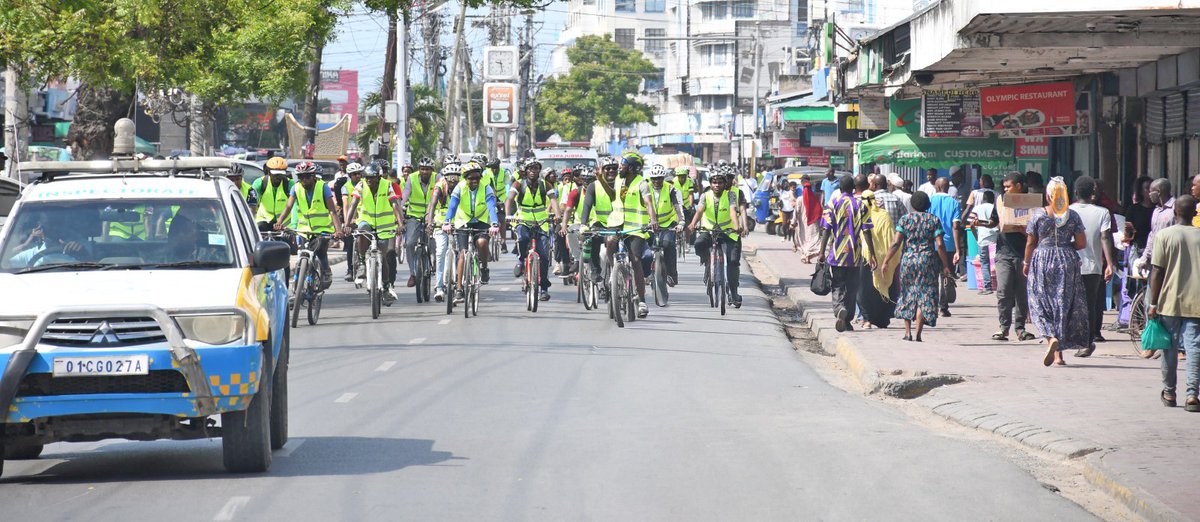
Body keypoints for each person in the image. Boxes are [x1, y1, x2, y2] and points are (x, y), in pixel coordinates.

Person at [1023, 177, 1089, 366]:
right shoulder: (1073, 215)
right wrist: (1065, 249)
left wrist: (1026, 262)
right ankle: (1059, 356)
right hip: (1067, 260)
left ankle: (1050, 337)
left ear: (1048, 195)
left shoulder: (1039, 215)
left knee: (1039, 301)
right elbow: (1081, 243)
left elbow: (1030, 242)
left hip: (1042, 259)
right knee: (1063, 303)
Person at [1147, 195, 1200, 411]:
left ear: (1175, 212)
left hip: (1169, 302)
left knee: (1168, 346)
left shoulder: (1164, 236)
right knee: (1194, 346)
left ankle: (1169, 392)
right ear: (1195, 214)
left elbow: (1157, 271)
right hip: (1196, 302)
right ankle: (1192, 395)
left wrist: (1153, 303)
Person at [881, 191, 952, 342]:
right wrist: (946, 265)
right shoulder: (933, 220)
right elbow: (939, 244)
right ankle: (918, 334)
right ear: (928, 204)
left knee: (908, 293)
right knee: (924, 295)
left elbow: (896, 243)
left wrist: (886, 260)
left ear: (912, 204)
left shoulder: (905, 220)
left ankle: (907, 333)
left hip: (908, 261)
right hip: (928, 261)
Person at [817, 174, 876, 332]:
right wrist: (872, 254)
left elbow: (826, 230)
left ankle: (839, 310)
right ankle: (848, 320)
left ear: (840, 188)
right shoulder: (860, 205)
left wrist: (822, 252)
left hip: (837, 254)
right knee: (852, 288)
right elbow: (867, 231)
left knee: (837, 285)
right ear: (853, 188)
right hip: (855, 256)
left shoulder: (833, 203)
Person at [274, 162, 345, 291]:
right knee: (302, 254)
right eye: (301, 177)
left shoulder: (323, 187)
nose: (304, 180)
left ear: (313, 176)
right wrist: (279, 222)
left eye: (307, 177)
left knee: (319, 250)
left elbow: (332, 211)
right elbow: (288, 207)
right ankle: (296, 290)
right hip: (303, 229)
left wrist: (338, 230)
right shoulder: (295, 188)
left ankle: (326, 272)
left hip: (322, 230)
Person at [1069, 176, 1116, 356]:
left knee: (1071, 303)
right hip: (1093, 266)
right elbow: (1105, 238)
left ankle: (1072, 339)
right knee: (1090, 305)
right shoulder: (1102, 212)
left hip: (1070, 264)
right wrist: (1110, 264)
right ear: (1093, 193)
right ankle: (1087, 342)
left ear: (1075, 192)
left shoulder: (1067, 211)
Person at [344, 161, 402, 302]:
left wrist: (400, 223)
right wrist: (347, 223)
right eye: (367, 177)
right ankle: (363, 263)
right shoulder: (361, 185)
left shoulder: (387, 185)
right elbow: (353, 204)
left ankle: (387, 286)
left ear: (379, 177)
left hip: (384, 226)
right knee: (362, 231)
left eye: (372, 177)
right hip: (366, 221)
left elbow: (395, 204)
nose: (369, 180)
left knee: (383, 257)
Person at [688, 168, 746, 308]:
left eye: (720, 182)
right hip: (709, 230)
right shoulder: (705, 195)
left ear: (724, 183)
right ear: (710, 183)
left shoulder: (731, 195)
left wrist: (737, 226)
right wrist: (692, 224)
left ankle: (733, 292)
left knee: (733, 262)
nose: (717, 185)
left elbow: (733, 211)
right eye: (714, 182)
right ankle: (707, 260)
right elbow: (700, 210)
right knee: (699, 244)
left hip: (728, 232)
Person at [443, 161, 499, 298]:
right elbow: (452, 206)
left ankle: (484, 267)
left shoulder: (486, 188)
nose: (474, 181)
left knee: (481, 243)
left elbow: (491, 207)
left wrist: (494, 224)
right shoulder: (459, 188)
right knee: (462, 254)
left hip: (481, 222)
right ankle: (459, 288)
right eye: (471, 178)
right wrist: (447, 222)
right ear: (465, 178)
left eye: (477, 178)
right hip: (463, 222)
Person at [506, 158, 559, 301]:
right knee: (522, 238)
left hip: (541, 221)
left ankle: (544, 289)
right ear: (526, 171)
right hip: (523, 219)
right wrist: (508, 215)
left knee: (544, 256)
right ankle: (521, 262)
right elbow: (509, 199)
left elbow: (553, 200)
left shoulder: (545, 185)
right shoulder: (519, 184)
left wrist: (557, 215)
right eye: (530, 168)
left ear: (539, 170)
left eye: (536, 168)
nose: (533, 171)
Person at [858, 190, 896, 329]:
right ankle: (882, 319)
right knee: (884, 287)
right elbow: (892, 238)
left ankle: (867, 319)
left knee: (864, 290)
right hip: (885, 257)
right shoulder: (884, 215)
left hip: (866, 257)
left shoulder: (862, 215)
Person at [424, 163, 462, 302]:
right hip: (441, 223)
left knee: (462, 252)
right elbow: (433, 204)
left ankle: (461, 282)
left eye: (456, 177)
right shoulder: (440, 186)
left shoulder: (463, 186)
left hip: (459, 222)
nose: (453, 180)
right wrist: (429, 222)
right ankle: (439, 287)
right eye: (450, 177)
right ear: (445, 177)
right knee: (440, 252)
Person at [644, 164, 685, 286]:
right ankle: (646, 274)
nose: (656, 181)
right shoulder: (645, 188)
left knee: (668, 245)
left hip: (667, 224)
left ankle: (671, 274)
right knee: (646, 249)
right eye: (654, 178)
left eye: (659, 178)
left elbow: (678, 207)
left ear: (664, 178)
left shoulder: (671, 189)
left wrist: (681, 222)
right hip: (648, 225)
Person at [927, 177, 962, 316]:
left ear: (937, 187)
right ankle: (943, 307)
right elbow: (955, 227)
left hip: (931, 243)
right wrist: (958, 249)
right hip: (948, 245)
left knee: (932, 276)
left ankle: (932, 305)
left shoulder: (929, 201)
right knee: (946, 275)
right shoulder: (954, 203)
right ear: (947, 188)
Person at [401, 157, 437, 289]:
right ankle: (413, 273)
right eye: (422, 169)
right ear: (419, 170)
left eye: (427, 169)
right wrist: (399, 209)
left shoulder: (437, 178)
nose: (425, 172)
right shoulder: (412, 178)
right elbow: (405, 195)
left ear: (432, 170)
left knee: (434, 242)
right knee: (409, 243)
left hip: (433, 216)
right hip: (414, 216)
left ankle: (434, 262)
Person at [1133, 179, 1176, 281]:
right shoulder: (1156, 211)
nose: (1149, 194)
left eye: (1151, 191)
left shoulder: (1175, 208)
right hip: (1155, 261)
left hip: (1170, 261)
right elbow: (1152, 236)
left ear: (1159, 192)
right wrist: (1144, 258)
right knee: (1151, 293)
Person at [336, 162, 364, 281]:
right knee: (350, 243)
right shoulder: (345, 187)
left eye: (359, 173)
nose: (357, 176)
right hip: (350, 217)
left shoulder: (365, 184)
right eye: (354, 174)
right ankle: (350, 270)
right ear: (349, 175)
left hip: (363, 216)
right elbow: (346, 204)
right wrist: (348, 221)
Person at [967, 191, 997, 294]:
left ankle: (987, 288)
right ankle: (999, 285)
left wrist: (977, 237)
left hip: (983, 239)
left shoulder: (977, 208)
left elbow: (970, 224)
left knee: (985, 263)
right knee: (998, 262)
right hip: (996, 238)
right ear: (993, 199)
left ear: (983, 199)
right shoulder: (995, 208)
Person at [253, 157, 293, 231]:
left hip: (285, 224)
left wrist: (293, 225)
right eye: (275, 174)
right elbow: (252, 204)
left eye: (280, 174)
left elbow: (294, 206)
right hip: (264, 222)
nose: (278, 177)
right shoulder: (260, 183)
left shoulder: (290, 184)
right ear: (269, 172)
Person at [796, 175, 823, 262]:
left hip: (806, 222)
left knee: (808, 239)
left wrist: (793, 222)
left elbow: (796, 211)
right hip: (809, 221)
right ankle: (806, 255)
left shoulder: (801, 199)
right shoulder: (814, 198)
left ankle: (806, 255)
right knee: (811, 239)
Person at [778, 179, 796, 243]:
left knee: (792, 224)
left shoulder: (791, 191)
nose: (785, 184)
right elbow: (776, 184)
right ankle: (785, 236)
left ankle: (791, 237)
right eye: (784, 183)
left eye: (786, 183)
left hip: (791, 210)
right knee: (784, 224)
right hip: (784, 210)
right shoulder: (781, 191)